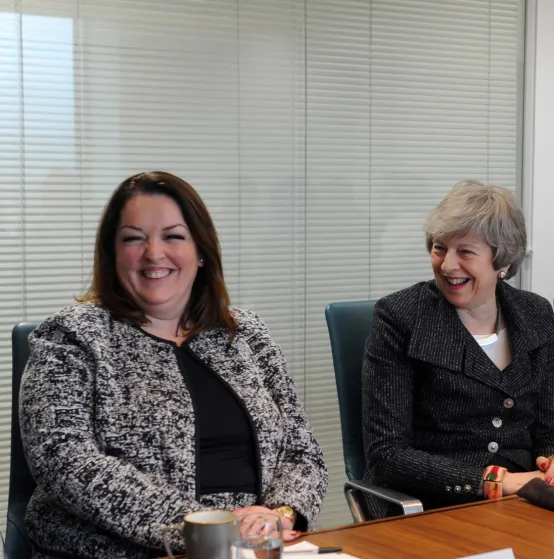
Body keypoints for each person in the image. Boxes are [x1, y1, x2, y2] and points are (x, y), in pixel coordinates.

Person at [19, 172, 328, 559]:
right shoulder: (70, 337)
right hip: (118, 551)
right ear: (111, 254)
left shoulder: (247, 333)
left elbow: (302, 453)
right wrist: (210, 527)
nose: (153, 253)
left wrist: (280, 515)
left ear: (201, 251)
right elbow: (64, 461)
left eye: (173, 236)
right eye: (133, 238)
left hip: (257, 546)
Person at [361, 180, 554, 518]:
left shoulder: (535, 313)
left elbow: (550, 432)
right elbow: (387, 456)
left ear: (503, 262)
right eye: (439, 248)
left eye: (465, 252)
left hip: (525, 503)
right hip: (432, 506)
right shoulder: (400, 317)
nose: (447, 265)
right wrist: (499, 480)